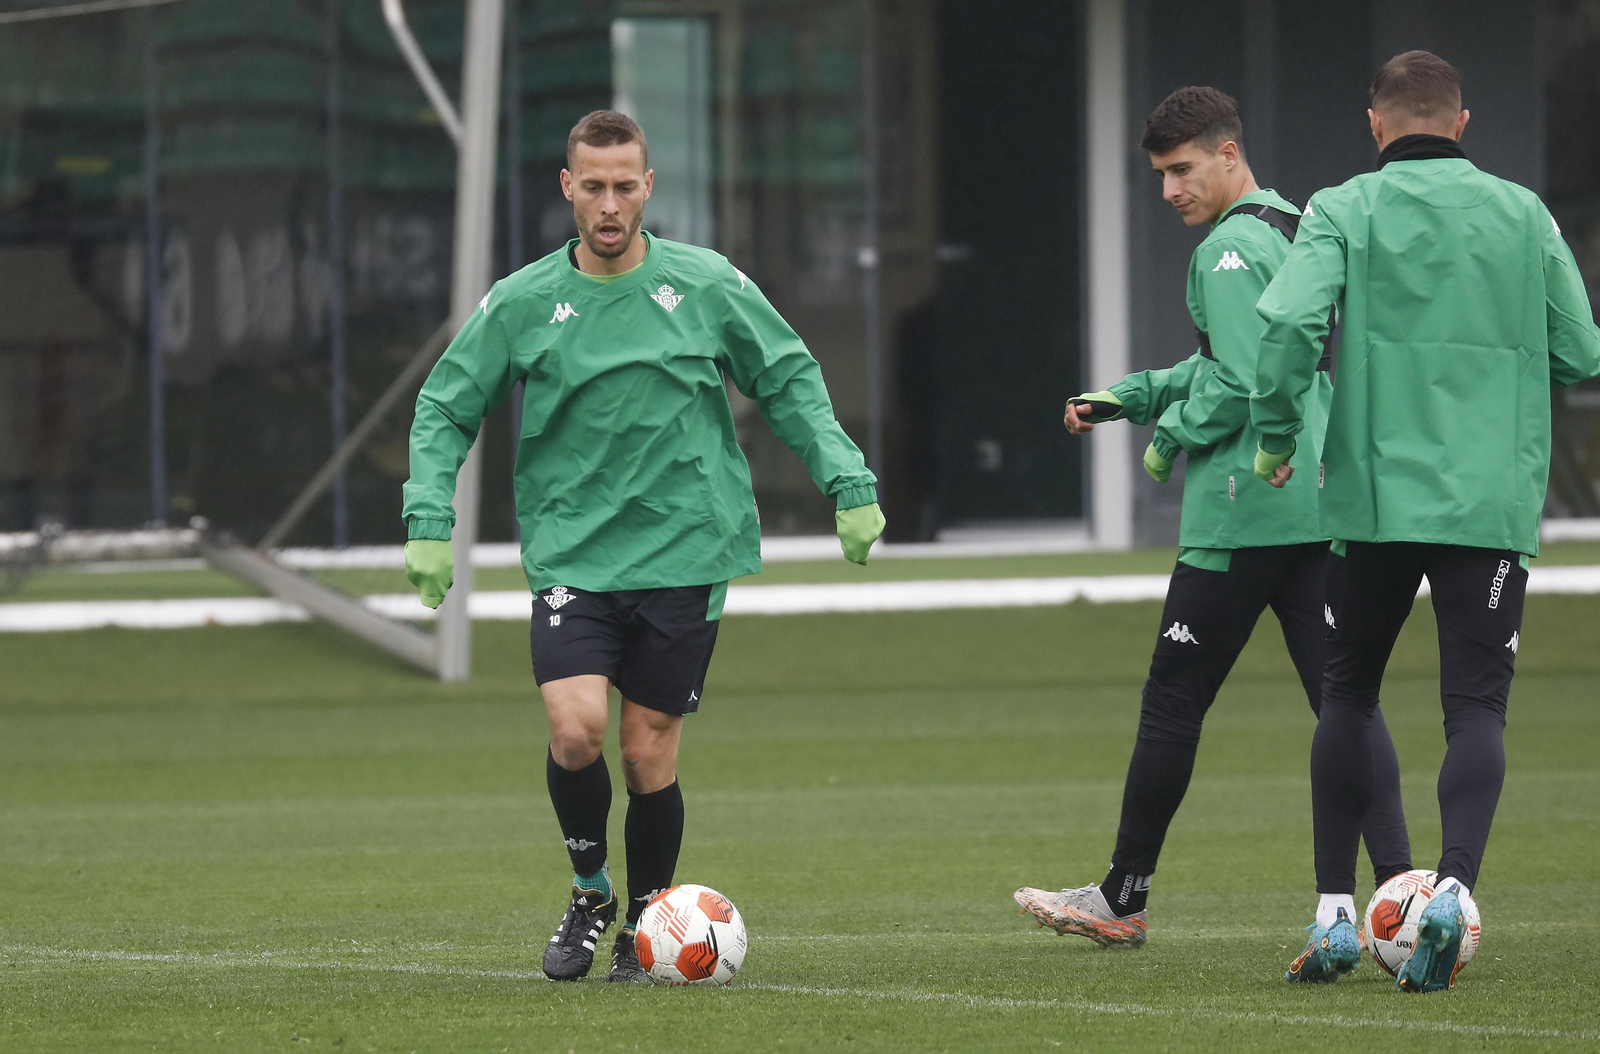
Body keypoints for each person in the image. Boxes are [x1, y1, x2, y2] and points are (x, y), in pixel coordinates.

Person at [401, 110, 885, 983]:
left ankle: (646, 927)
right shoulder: (521, 301)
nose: (610, 203)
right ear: (568, 189)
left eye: (626, 185)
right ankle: (591, 891)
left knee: (645, 751)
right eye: (594, 186)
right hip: (574, 557)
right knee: (577, 729)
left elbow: (788, 377)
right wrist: (428, 519)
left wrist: (848, 482)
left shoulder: (706, 284)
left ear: (648, 187)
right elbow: (445, 406)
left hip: (686, 551)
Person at [1014, 86, 1411, 949]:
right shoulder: (1295, 225)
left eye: (1181, 170)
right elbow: (1242, 362)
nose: (1169, 191)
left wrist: (1167, 442)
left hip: (1242, 515)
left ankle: (1121, 894)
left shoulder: (1227, 251)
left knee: (1173, 703)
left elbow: (1235, 384)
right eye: (1160, 175)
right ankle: (1406, 898)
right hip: (1317, 501)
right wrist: (1133, 396)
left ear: (1228, 154)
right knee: (1347, 706)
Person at [1251, 51, 1600, 990]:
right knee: (1475, 708)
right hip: (1487, 500)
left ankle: (1331, 916)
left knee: (1349, 693)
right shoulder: (1525, 213)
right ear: (1463, 122)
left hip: (1375, 498)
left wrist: (1276, 434)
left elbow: (1286, 325)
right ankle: (1450, 893)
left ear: (1375, 125)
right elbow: (1580, 347)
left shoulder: (1341, 208)